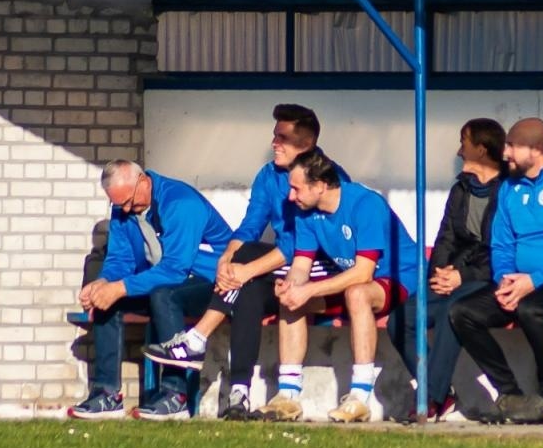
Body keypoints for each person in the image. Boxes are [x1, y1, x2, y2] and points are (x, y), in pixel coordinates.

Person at [145, 103, 340, 419]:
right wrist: (227, 258)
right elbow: (251, 225)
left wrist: (243, 266)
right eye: (274, 135)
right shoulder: (268, 175)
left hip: (319, 271)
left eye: (282, 138)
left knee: (247, 261)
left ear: (306, 145)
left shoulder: (322, 178)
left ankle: (196, 339)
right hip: (285, 268)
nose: (274, 143)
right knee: (245, 288)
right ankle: (240, 393)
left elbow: (297, 246)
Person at [449, 117, 543, 424]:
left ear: (536, 149)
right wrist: (505, 280)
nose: (504, 153)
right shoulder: (509, 188)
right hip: (519, 283)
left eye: (512, 146)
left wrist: (533, 281)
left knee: (533, 309)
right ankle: (511, 394)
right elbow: (502, 244)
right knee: (462, 312)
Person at [261, 148, 420, 423]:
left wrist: (309, 289)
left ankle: (360, 397)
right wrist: (292, 286)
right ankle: (287, 396)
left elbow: (364, 272)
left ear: (321, 186)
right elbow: (301, 264)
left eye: (297, 189)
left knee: (356, 294)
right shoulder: (304, 211)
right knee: (291, 298)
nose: (291, 196)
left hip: (398, 277)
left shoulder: (365, 204)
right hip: (351, 281)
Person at [72, 160, 233, 421]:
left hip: (211, 282)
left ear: (144, 182)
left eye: (129, 202)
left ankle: (175, 396)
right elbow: (120, 259)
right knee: (106, 301)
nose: (125, 209)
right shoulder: (123, 208)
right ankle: (106, 394)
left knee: (163, 295)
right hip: (163, 280)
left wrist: (120, 288)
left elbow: (175, 269)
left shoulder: (180, 203)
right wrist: (103, 283)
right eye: (118, 204)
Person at [386, 118, 506, 421]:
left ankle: (432, 398)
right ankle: (438, 390)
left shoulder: (509, 191)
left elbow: (501, 249)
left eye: (463, 142)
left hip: (487, 278)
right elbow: (446, 237)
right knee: (400, 320)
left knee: (455, 310)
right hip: (451, 276)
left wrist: (462, 276)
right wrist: (438, 274)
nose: (458, 150)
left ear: (481, 148)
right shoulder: (462, 189)